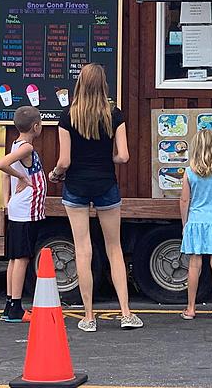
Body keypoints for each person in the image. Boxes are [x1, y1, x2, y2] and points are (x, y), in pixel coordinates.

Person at [48, 64, 143, 331]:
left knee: (82, 249)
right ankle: (126, 313)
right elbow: (123, 156)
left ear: (80, 83)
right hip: (105, 185)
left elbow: (64, 160)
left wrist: (55, 174)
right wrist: (107, 158)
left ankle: (89, 317)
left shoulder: (67, 116)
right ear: (104, 84)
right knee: (114, 248)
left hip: (76, 185)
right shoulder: (115, 115)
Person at [0, 105, 47, 322]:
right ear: (36, 126)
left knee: (15, 258)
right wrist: (24, 178)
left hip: (19, 207)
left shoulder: (16, 144)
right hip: (27, 209)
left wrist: (6, 201)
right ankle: (16, 307)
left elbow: (5, 175)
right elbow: (1, 165)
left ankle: (10, 304)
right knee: (22, 258)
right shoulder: (26, 148)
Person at [179, 128, 212, 320]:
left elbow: (185, 200)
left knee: (194, 264)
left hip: (196, 221)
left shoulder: (189, 172)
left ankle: (191, 308)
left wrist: (185, 223)